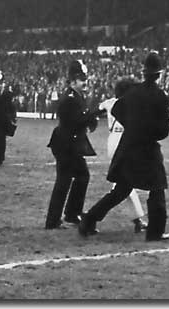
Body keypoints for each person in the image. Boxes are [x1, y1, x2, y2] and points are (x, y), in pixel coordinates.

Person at [79, 52, 169, 241]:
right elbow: (163, 130)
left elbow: (117, 110)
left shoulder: (133, 92)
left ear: (144, 72)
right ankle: (155, 232)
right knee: (157, 188)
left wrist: (132, 126)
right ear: (159, 75)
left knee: (121, 190)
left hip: (128, 147)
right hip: (147, 149)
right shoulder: (160, 95)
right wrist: (148, 131)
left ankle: (88, 220)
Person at [44, 60, 103, 229]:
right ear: (73, 81)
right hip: (66, 145)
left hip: (70, 144)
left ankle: (70, 213)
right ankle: (55, 220)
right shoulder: (70, 99)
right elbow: (78, 120)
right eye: (82, 80)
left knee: (81, 176)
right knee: (64, 181)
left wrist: (91, 118)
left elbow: (82, 118)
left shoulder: (76, 96)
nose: (85, 83)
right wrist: (97, 112)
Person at [97, 77, 148, 233]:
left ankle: (137, 219)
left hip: (112, 139)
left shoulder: (109, 102)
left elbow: (96, 110)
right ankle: (137, 219)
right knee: (126, 182)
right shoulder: (131, 104)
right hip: (124, 140)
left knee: (124, 182)